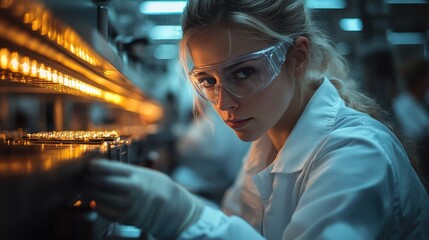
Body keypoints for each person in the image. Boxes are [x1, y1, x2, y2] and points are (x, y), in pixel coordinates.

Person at [82, 0, 429, 239]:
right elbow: (238, 224)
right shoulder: (267, 144)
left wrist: (184, 215)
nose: (223, 102)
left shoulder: (356, 153)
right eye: (207, 81)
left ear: (298, 57)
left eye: (244, 72)